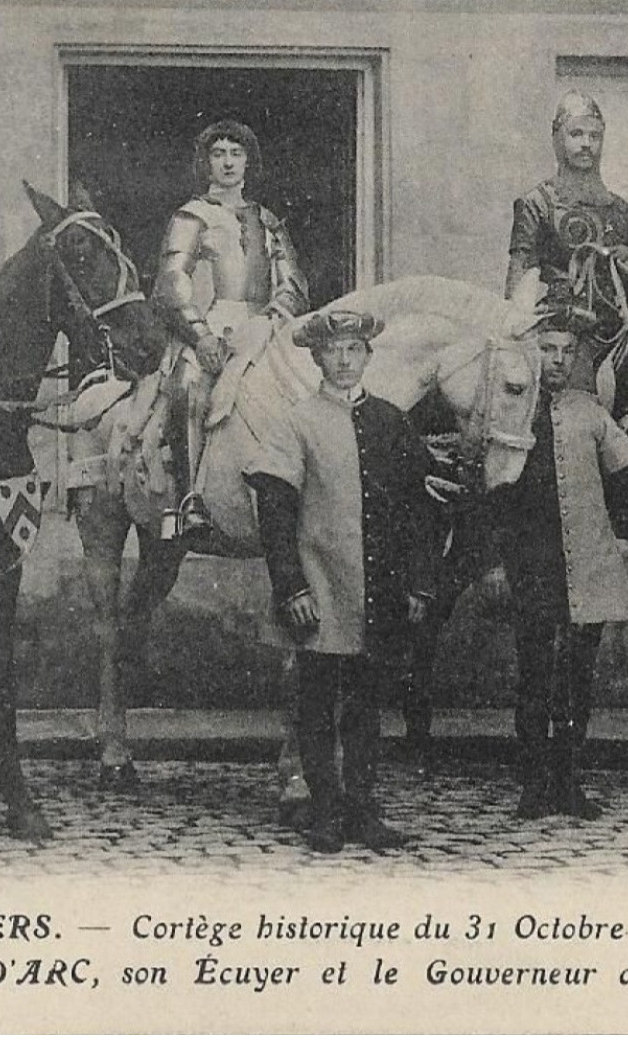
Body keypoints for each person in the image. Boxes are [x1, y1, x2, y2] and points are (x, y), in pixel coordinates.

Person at [246, 310, 438, 854]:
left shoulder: (391, 421)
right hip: (321, 589)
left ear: (368, 357)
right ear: (317, 358)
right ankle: (324, 811)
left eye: (355, 349)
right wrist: (292, 589)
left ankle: (362, 810)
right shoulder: (296, 421)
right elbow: (276, 512)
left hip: (378, 589)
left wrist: (420, 584)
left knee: (365, 706)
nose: (345, 359)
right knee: (315, 703)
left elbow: (419, 509)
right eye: (335, 351)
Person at [492, 329, 628, 821]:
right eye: (547, 349)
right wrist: (498, 560)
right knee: (535, 673)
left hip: (588, 562)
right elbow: (492, 492)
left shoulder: (591, 413)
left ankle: (569, 783)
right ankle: (534, 785)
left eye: (567, 350)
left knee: (579, 677)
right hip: (534, 566)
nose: (557, 360)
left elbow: (627, 476)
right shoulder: (512, 410)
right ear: (531, 352)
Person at [154, 119, 308, 536]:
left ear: (247, 163)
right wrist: (199, 335)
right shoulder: (191, 216)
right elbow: (173, 281)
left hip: (265, 327)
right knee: (189, 388)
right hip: (211, 328)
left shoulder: (268, 220)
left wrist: (272, 318)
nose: (227, 162)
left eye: (235, 154)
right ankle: (189, 501)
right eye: (218, 154)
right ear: (206, 163)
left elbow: (291, 283)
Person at [507, 89, 628, 392]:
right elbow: (518, 282)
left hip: (621, 338)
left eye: (594, 136)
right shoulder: (536, 203)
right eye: (576, 134)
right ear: (559, 140)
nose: (586, 144)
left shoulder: (618, 208)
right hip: (563, 342)